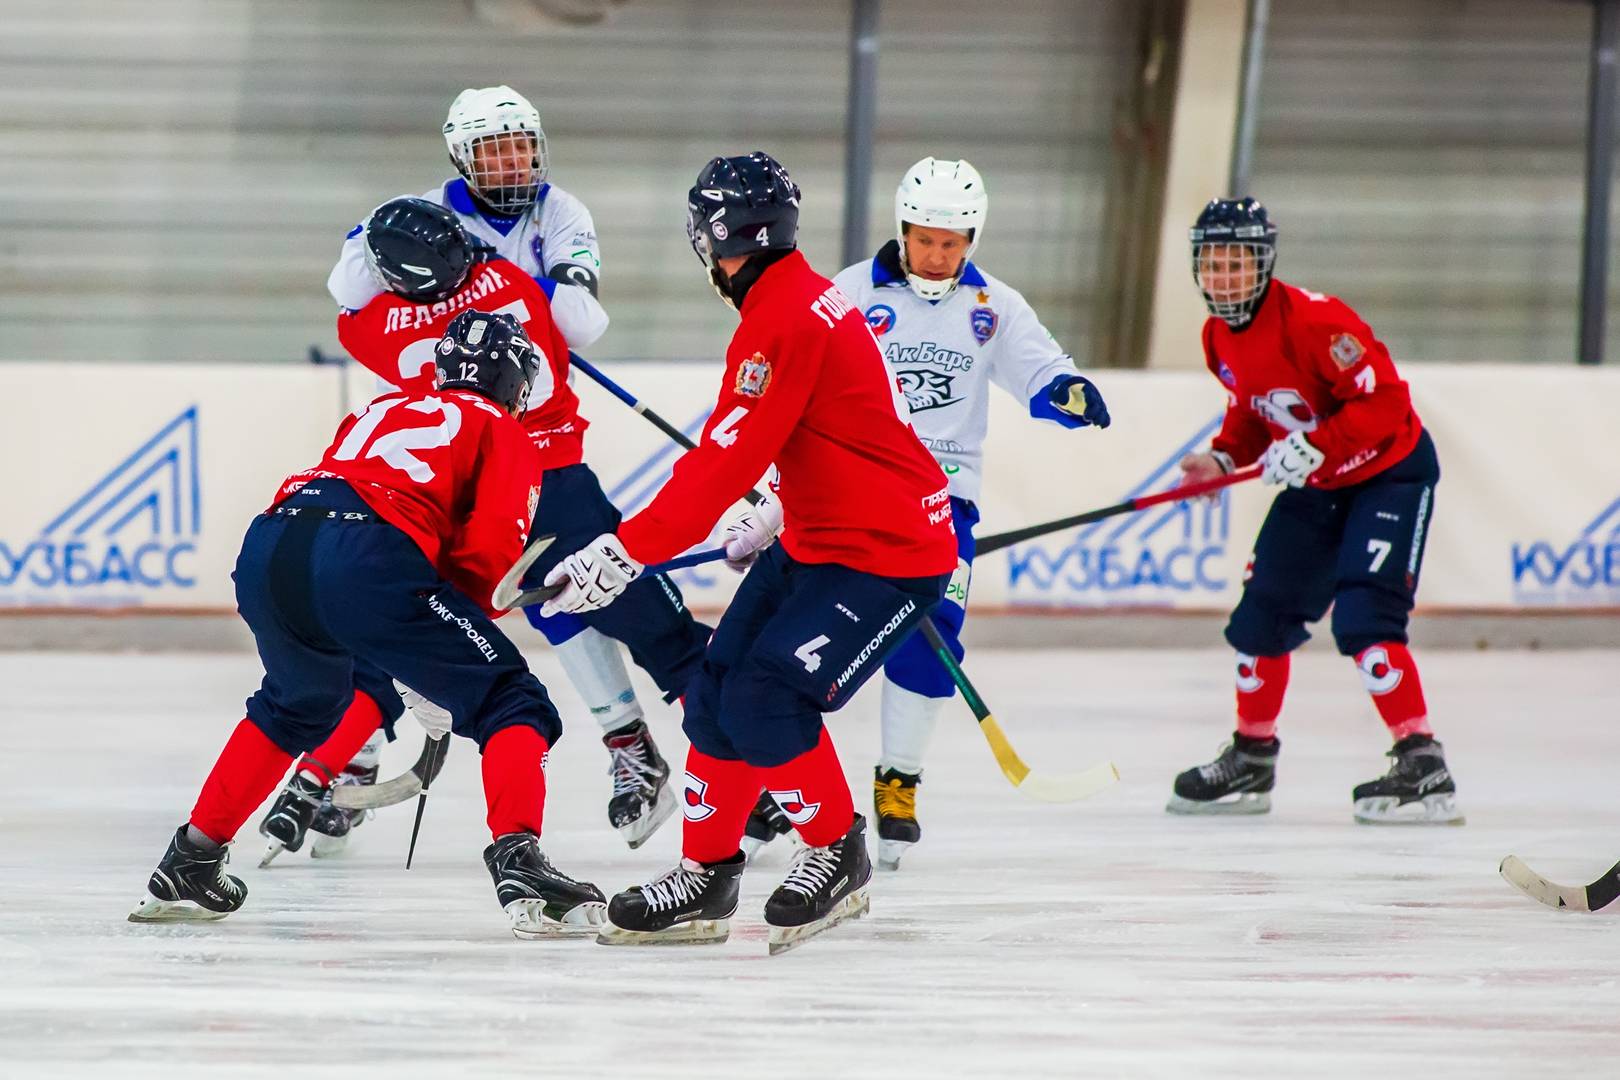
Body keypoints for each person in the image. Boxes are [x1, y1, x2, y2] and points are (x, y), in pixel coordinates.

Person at [542, 152, 959, 953]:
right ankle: (706, 878)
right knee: (715, 692)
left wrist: (624, 552)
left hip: (888, 557)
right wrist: (779, 507)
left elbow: (720, 463)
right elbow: (831, 428)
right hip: (822, 538)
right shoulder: (800, 298)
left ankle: (839, 852)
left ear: (713, 241)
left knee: (768, 700)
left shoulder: (781, 319)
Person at [129, 311, 608, 938]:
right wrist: (445, 652)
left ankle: (190, 860)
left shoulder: (381, 406)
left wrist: (423, 638)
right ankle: (520, 864)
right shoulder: (503, 430)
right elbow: (487, 558)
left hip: (273, 542)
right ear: (514, 379)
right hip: (363, 554)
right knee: (510, 699)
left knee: (296, 704)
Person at [321, 88, 688, 844]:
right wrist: (418, 252)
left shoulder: (561, 214)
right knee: (424, 601)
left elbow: (583, 324)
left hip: (545, 450)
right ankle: (348, 757)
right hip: (460, 466)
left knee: (593, 602)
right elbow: (349, 287)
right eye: (494, 151)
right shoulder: (424, 212)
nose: (512, 163)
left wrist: (501, 277)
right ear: (462, 158)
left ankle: (720, 751)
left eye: (522, 146)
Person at [735, 156, 1112, 871]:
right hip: (846, 493)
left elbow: (1037, 367)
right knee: (810, 639)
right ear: (903, 229)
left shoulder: (994, 306)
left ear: (973, 238)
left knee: (933, 631)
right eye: (926, 238)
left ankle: (898, 780)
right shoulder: (845, 292)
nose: (939, 255)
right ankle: (782, 780)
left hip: (943, 505)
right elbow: (793, 378)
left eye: (954, 241)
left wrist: (1063, 389)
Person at [1165, 197, 1462, 825]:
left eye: (1236, 263)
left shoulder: (1317, 322)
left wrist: (1314, 445)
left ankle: (1421, 759)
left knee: (1365, 617)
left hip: (1390, 476)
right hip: (1320, 480)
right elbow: (1252, 410)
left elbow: (1384, 403)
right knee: (1260, 617)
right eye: (1212, 265)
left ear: (1264, 263)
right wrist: (1221, 458)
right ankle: (1251, 756)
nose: (1224, 278)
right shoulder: (1217, 337)